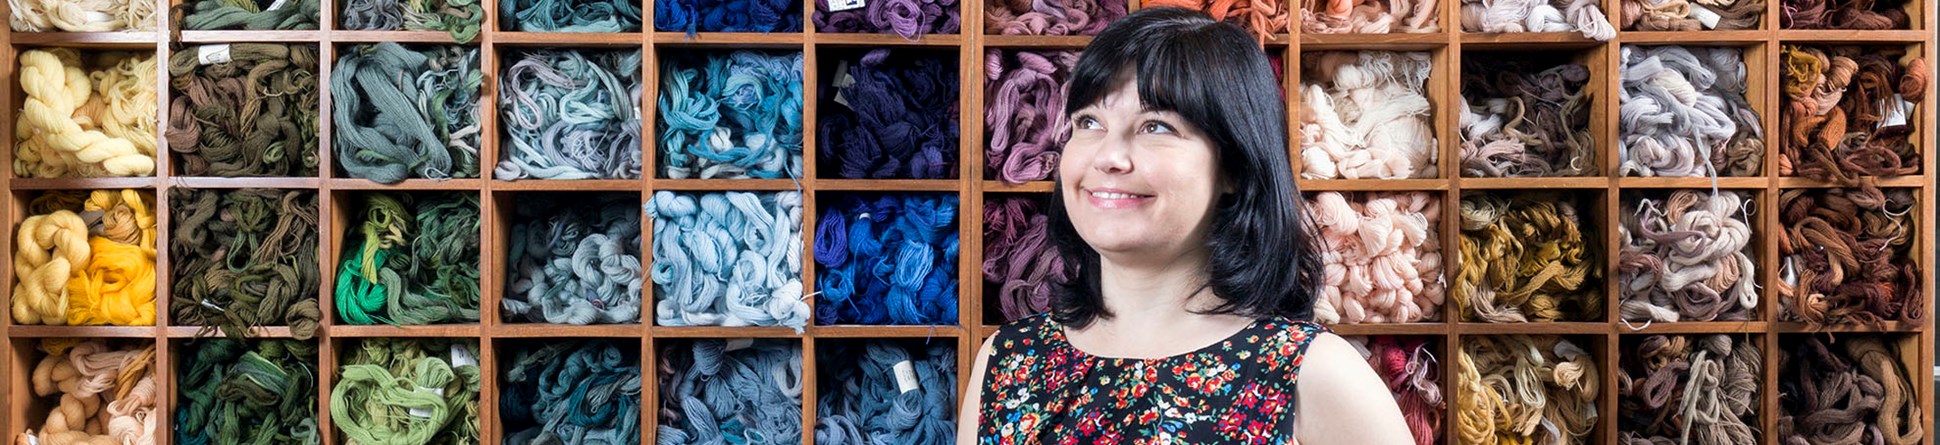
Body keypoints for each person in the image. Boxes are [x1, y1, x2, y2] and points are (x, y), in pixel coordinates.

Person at [957, 7, 1415, 444]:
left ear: (1234, 164)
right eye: (1089, 122)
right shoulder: (1008, 360)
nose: (1108, 157)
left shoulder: (1315, 375)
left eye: (1155, 126)